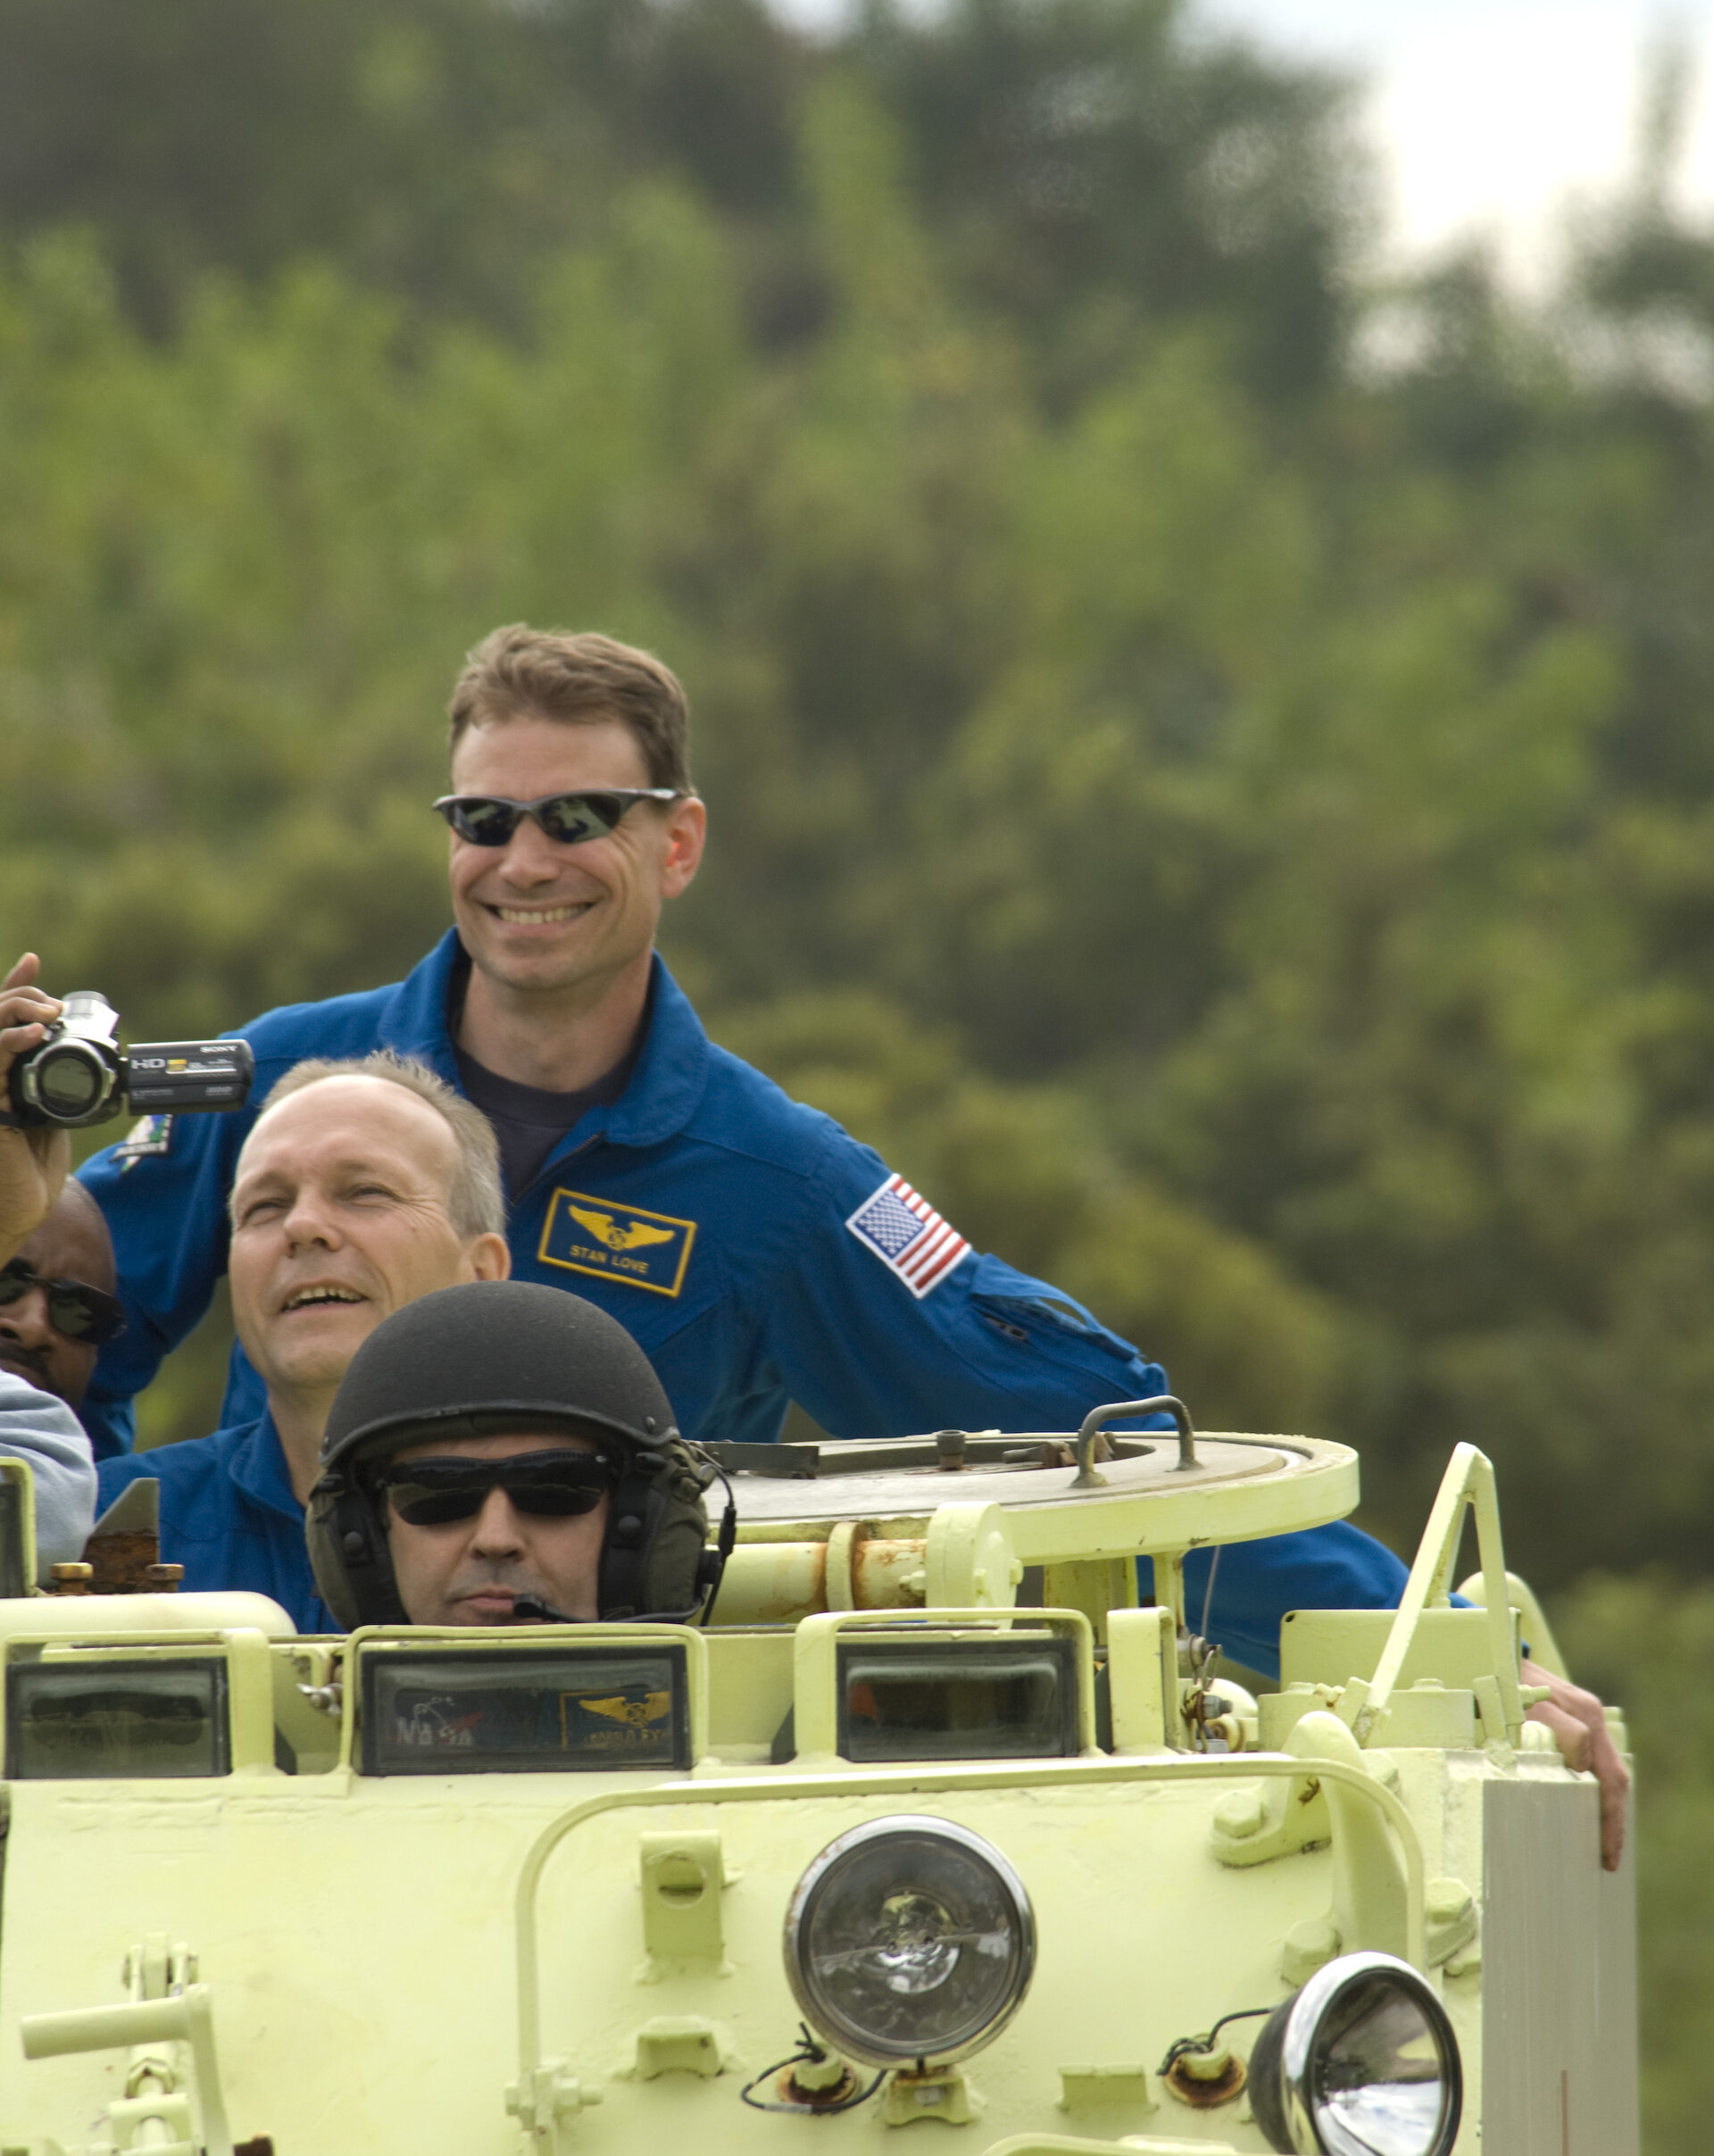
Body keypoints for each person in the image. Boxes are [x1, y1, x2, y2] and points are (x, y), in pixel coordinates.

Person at [63, 631, 1627, 1860]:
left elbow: (1106, 1459)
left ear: (676, 845)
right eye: (483, 819)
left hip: (609, 1751)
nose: (522, 860)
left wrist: (1460, 1650)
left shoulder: (778, 1182)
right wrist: (136, 1582)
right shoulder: (283, 1093)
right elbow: (56, 1360)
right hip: (245, 1667)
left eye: (576, 818)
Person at [94, 1052, 509, 1627]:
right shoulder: (97, 1528)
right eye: (265, 1206)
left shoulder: (581, 1524)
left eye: (365, 1192)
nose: (302, 1226)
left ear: (481, 1274)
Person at [306, 1280, 716, 1629]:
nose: (495, 1539)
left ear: (639, 1526)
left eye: (555, 1485)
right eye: (436, 1489)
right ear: (362, 1535)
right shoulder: (272, 1716)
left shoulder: (760, 1719)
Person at [0, 955, 100, 1570]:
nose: (34, 1325)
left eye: (79, 1309)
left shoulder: (43, 1444)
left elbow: (43, 1503)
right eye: (6, 1277)